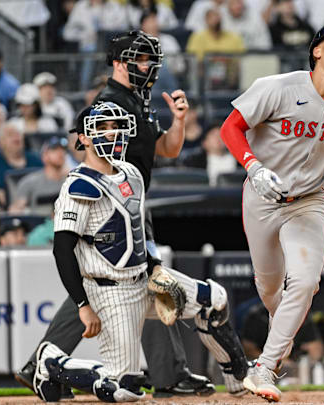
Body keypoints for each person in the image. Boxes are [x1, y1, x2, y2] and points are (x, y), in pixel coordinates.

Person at [14, 31, 248, 398]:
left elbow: (166, 149)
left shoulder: (139, 100)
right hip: (113, 204)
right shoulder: (109, 102)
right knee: (120, 284)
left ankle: (170, 374)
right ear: (120, 63)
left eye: (150, 59)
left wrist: (180, 120)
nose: (148, 66)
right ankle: (44, 365)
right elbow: (87, 149)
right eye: (140, 59)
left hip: (134, 196)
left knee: (151, 285)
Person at [219, 20, 324, 402]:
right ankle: (275, 345)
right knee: (271, 290)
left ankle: (265, 367)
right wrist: (253, 166)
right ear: (317, 50)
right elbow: (231, 128)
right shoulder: (279, 86)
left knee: (304, 282)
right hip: (262, 197)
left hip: (310, 200)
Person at [0, 122, 43, 209]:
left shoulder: (35, 159)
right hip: (2, 207)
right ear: (1, 142)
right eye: (11, 135)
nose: (16, 138)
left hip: (35, 204)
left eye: (18, 134)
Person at [9, 137, 69, 215]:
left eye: (63, 150)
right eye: (54, 150)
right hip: (39, 223)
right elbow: (14, 211)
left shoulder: (69, 181)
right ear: (44, 156)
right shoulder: (30, 182)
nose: (60, 153)